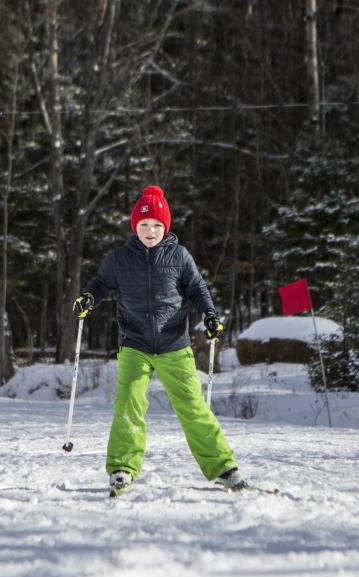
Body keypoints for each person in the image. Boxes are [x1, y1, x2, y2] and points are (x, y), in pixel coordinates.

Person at [72, 184, 247, 493]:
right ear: (134, 226)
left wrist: (209, 315)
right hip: (134, 344)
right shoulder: (119, 259)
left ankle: (223, 467)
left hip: (174, 344)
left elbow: (197, 289)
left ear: (165, 226)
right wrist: (88, 298)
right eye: (143, 224)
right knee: (129, 405)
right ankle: (122, 467)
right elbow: (100, 284)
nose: (150, 231)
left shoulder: (179, 256)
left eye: (156, 225)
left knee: (192, 406)